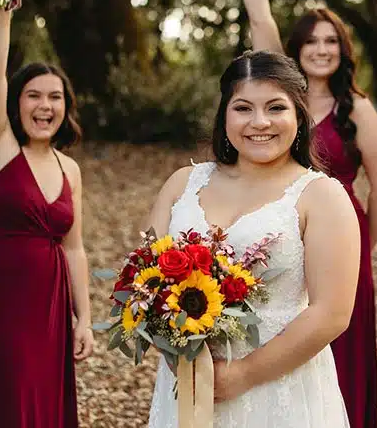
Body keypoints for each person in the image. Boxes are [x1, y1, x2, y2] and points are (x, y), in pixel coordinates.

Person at [223, 0, 377, 428]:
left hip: (338, 237)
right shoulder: (280, 103)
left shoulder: (357, 110)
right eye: (311, 42)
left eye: (331, 42)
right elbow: (259, 16)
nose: (321, 50)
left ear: (343, 52)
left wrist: (361, 244)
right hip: (282, 231)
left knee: (339, 345)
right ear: (295, 51)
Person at [146, 50, 360, 427]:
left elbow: (332, 313)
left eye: (276, 108)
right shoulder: (182, 184)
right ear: (224, 114)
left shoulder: (321, 196)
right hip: (187, 381)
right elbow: (145, 284)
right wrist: (175, 351)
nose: (260, 122)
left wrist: (241, 375)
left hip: (277, 387)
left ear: (299, 115)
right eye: (243, 108)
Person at [0, 0, 93, 427]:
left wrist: (85, 318)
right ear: (16, 103)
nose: (45, 106)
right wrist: (5, 7)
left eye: (55, 97)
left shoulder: (69, 168)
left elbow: (74, 247)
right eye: (34, 95)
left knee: (44, 399)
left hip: (51, 302)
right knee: (7, 397)